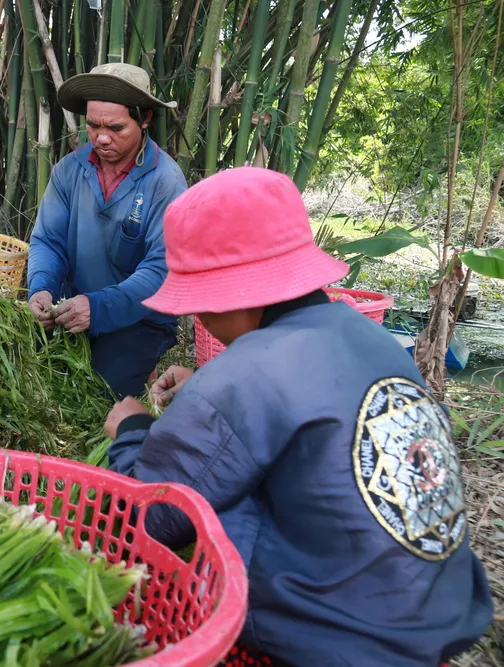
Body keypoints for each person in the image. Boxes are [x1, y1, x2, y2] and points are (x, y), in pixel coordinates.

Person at [103, 167, 492, 666]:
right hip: (436, 617)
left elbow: (154, 515)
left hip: (343, 644)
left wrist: (132, 429)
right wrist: (211, 385)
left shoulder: (245, 377)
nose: (197, 317)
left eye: (197, 302)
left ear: (228, 293)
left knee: (208, 508)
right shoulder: (369, 336)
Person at [26, 63, 188, 399]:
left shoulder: (166, 183)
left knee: (97, 393)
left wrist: (97, 308)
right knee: (28, 375)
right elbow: (48, 241)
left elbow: (161, 271)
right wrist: (40, 288)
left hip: (139, 320)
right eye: (93, 125)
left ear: (145, 120)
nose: (101, 137)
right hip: (70, 308)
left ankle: (145, 364)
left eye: (115, 127)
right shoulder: (69, 171)